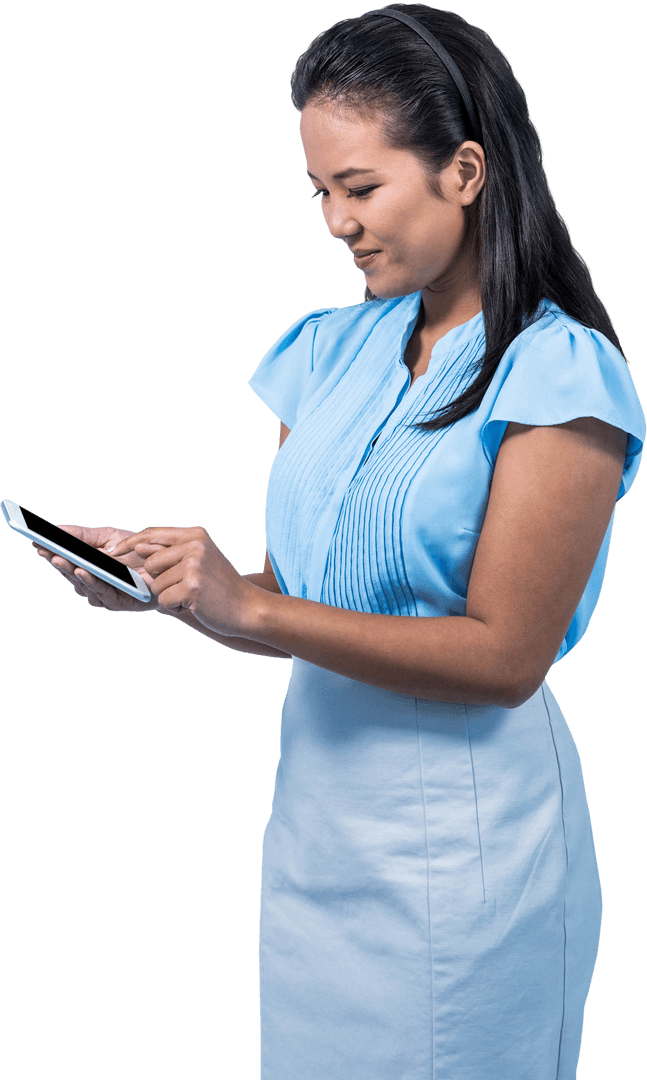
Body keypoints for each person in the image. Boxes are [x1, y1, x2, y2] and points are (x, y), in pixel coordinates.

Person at [34, 5, 644, 1078]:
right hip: (318, 834)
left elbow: (505, 660)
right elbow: (303, 604)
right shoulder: (326, 351)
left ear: (462, 170)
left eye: (360, 188)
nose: (335, 222)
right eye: (319, 193)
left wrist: (253, 605)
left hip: (469, 854)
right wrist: (179, 589)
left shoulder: (559, 376)